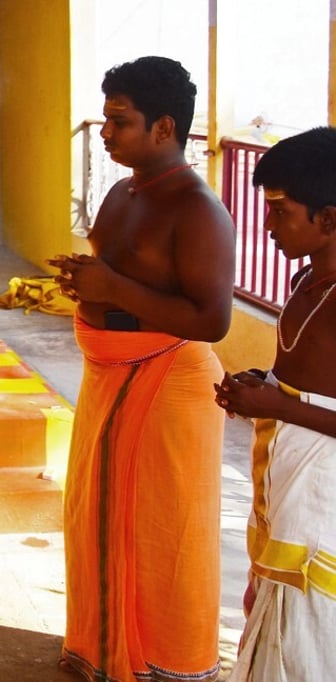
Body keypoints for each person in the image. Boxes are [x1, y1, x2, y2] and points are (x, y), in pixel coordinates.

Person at [48, 56, 235, 681]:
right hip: (110, 376)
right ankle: (103, 649)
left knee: (163, 531)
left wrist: (114, 290)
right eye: (105, 119)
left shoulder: (198, 208)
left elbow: (212, 321)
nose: (105, 133)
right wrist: (87, 282)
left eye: (119, 122)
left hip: (169, 385)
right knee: (97, 517)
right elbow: (120, 275)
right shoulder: (122, 192)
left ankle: (169, 663)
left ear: (163, 128)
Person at [213, 126, 336, 681]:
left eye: (280, 212)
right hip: (282, 480)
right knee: (276, 614)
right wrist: (264, 386)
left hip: (321, 497)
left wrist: (280, 406)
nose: (266, 228)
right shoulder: (310, 278)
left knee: (308, 632)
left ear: (328, 220)